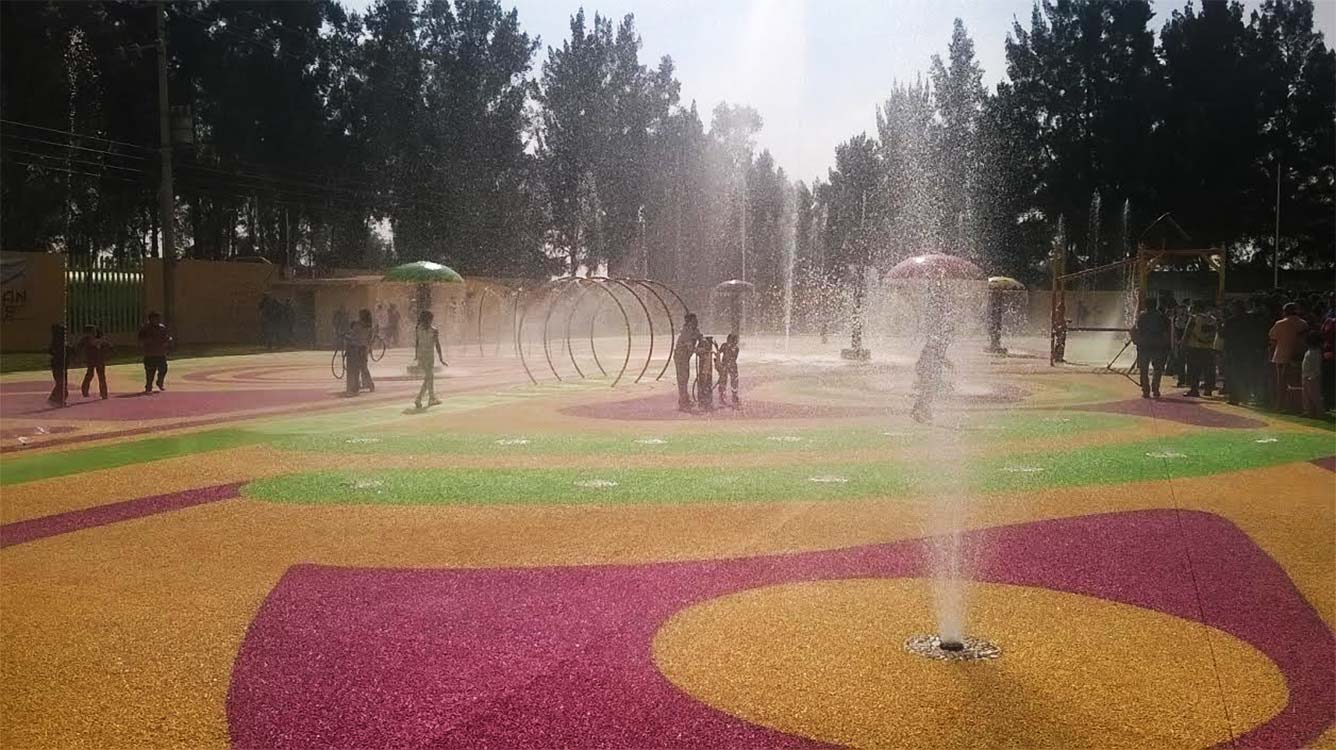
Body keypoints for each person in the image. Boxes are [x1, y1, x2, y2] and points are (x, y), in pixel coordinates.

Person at [1268, 302, 1309, 411]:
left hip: (1281, 355)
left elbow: (1272, 339)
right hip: (1298, 355)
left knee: (1281, 383)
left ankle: (1280, 404)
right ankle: (1298, 405)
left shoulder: (1279, 324)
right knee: (1298, 382)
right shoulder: (1303, 324)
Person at [1131, 299, 1171, 399]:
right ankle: (1155, 388)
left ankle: (1145, 390)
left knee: (1144, 369)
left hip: (1144, 345)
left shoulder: (1142, 316)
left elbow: (1135, 329)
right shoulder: (1162, 316)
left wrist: (1135, 340)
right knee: (1157, 369)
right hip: (1158, 345)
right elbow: (1167, 331)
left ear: (1146, 305)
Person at [1179, 301, 1218, 398]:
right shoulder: (1213, 319)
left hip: (1194, 347)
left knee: (1193, 370)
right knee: (1208, 369)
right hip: (1209, 348)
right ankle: (1208, 390)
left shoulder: (1194, 318)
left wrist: (1183, 345)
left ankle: (1194, 390)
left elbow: (1187, 332)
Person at [412, 309, 447, 410]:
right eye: (430, 319)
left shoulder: (418, 328)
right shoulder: (433, 330)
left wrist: (416, 355)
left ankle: (431, 397)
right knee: (428, 377)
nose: (430, 321)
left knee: (429, 377)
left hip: (424, 356)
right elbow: (437, 345)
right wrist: (441, 358)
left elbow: (418, 343)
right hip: (427, 356)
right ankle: (419, 398)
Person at [138, 311, 173, 393]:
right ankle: (148, 386)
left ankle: (160, 382)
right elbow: (140, 339)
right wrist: (146, 341)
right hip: (149, 353)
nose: (157, 320)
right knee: (150, 371)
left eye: (158, 318)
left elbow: (167, 337)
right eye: (155, 319)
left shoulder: (162, 328)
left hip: (160, 353)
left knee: (163, 369)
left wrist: (169, 340)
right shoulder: (145, 328)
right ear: (150, 319)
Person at [674, 313, 700, 411]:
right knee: (682, 379)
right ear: (689, 322)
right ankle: (683, 402)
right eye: (694, 321)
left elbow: (699, 336)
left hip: (685, 358)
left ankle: (685, 400)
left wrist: (703, 341)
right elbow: (690, 346)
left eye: (696, 320)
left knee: (685, 378)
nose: (696, 322)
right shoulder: (686, 332)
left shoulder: (694, 330)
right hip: (680, 358)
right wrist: (698, 350)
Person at [77, 324, 111, 399]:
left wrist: (104, 344)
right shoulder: (86, 339)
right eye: (92, 332)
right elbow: (90, 344)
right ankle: (85, 390)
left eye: (94, 331)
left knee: (101, 376)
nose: (94, 333)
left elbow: (106, 345)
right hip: (91, 359)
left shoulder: (99, 338)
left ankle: (104, 394)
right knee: (90, 374)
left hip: (100, 360)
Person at [346, 308, 375, 395]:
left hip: (356, 348)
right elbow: (370, 339)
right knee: (363, 368)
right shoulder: (369, 326)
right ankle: (369, 384)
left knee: (356, 368)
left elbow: (353, 336)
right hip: (363, 348)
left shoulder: (357, 325)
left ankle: (356, 387)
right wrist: (369, 347)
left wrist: (346, 337)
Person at [1301, 332, 1325, 418]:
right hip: (1305, 375)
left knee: (1315, 395)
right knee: (1306, 394)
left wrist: (1312, 376)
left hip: (1312, 377)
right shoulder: (1309, 351)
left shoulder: (1316, 353)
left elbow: (1317, 367)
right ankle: (1308, 411)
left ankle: (1319, 412)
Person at [716, 332, 740, 408]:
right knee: (723, 380)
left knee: (734, 380)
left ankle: (734, 396)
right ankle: (722, 396)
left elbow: (733, 357)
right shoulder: (725, 346)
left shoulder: (735, 348)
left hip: (731, 365)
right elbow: (719, 353)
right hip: (726, 365)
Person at [47, 323, 68, 406]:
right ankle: (55, 399)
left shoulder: (57, 343)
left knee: (61, 383)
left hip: (60, 365)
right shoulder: (59, 344)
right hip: (59, 366)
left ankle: (58, 400)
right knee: (61, 383)